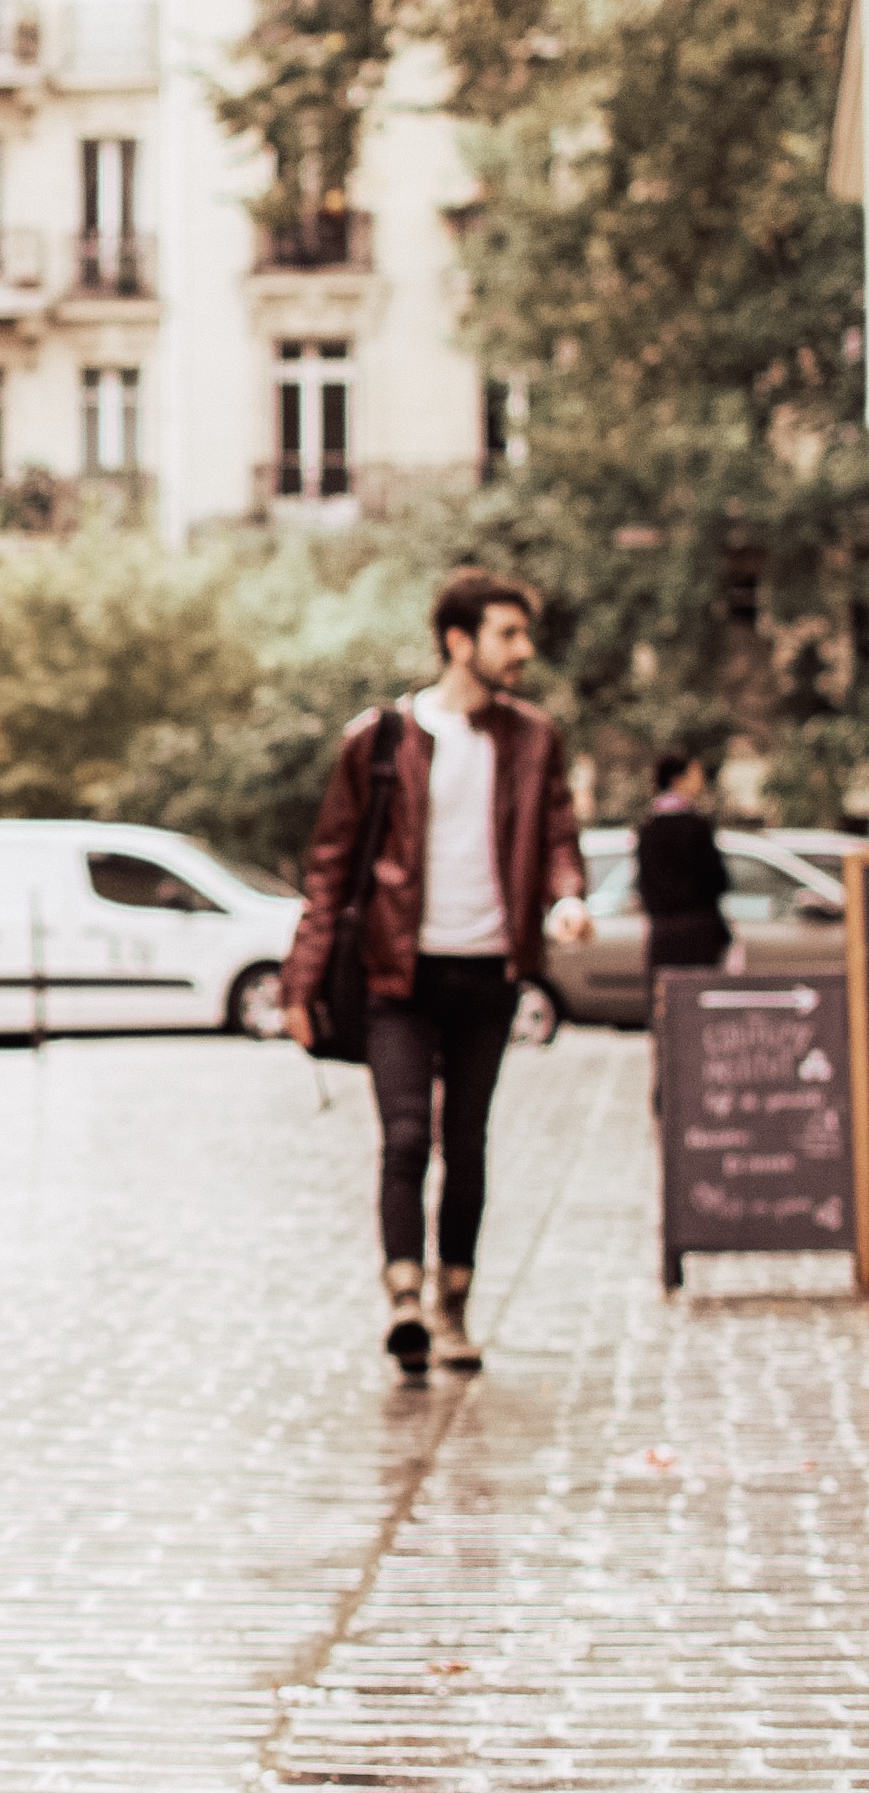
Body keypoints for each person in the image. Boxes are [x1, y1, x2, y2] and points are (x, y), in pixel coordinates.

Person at [282, 568, 590, 1380]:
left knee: (468, 1144)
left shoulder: (531, 737)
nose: (522, 650)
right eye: (507, 634)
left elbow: (558, 834)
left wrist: (566, 898)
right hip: (397, 975)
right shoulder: (380, 740)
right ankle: (404, 1300)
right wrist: (299, 984)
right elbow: (330, 867)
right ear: (459, 641)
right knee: (406, 1137)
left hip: (488, 971)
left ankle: (454, 1309)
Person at [636, 752, 731, 982]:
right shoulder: (697, 826)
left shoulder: (647, 828)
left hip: (663, 935)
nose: (700, 781)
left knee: (666, 1004)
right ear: (677, 780)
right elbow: (718, 879)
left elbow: (644, 883)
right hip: (699, 933)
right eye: (694, 775)